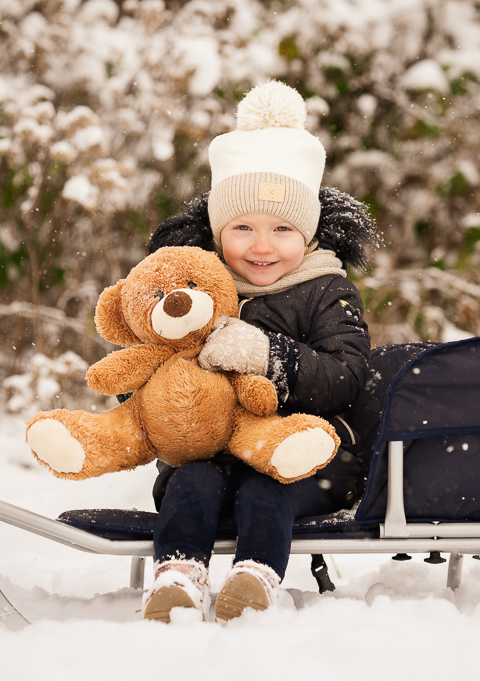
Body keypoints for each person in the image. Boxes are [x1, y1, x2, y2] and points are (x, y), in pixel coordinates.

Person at [140, 81, 377, 624]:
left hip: (305, 458)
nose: (262, 245)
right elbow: (149, 366)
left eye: (282, 229)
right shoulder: (193, 292)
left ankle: (254, 579)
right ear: (218, 233)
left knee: (267, 488)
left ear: (310, 234)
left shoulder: (327, 290)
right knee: (190, 483)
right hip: (211, 453)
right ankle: (176, 578)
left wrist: (271, 355)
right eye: (242, 227)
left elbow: (346, 376)